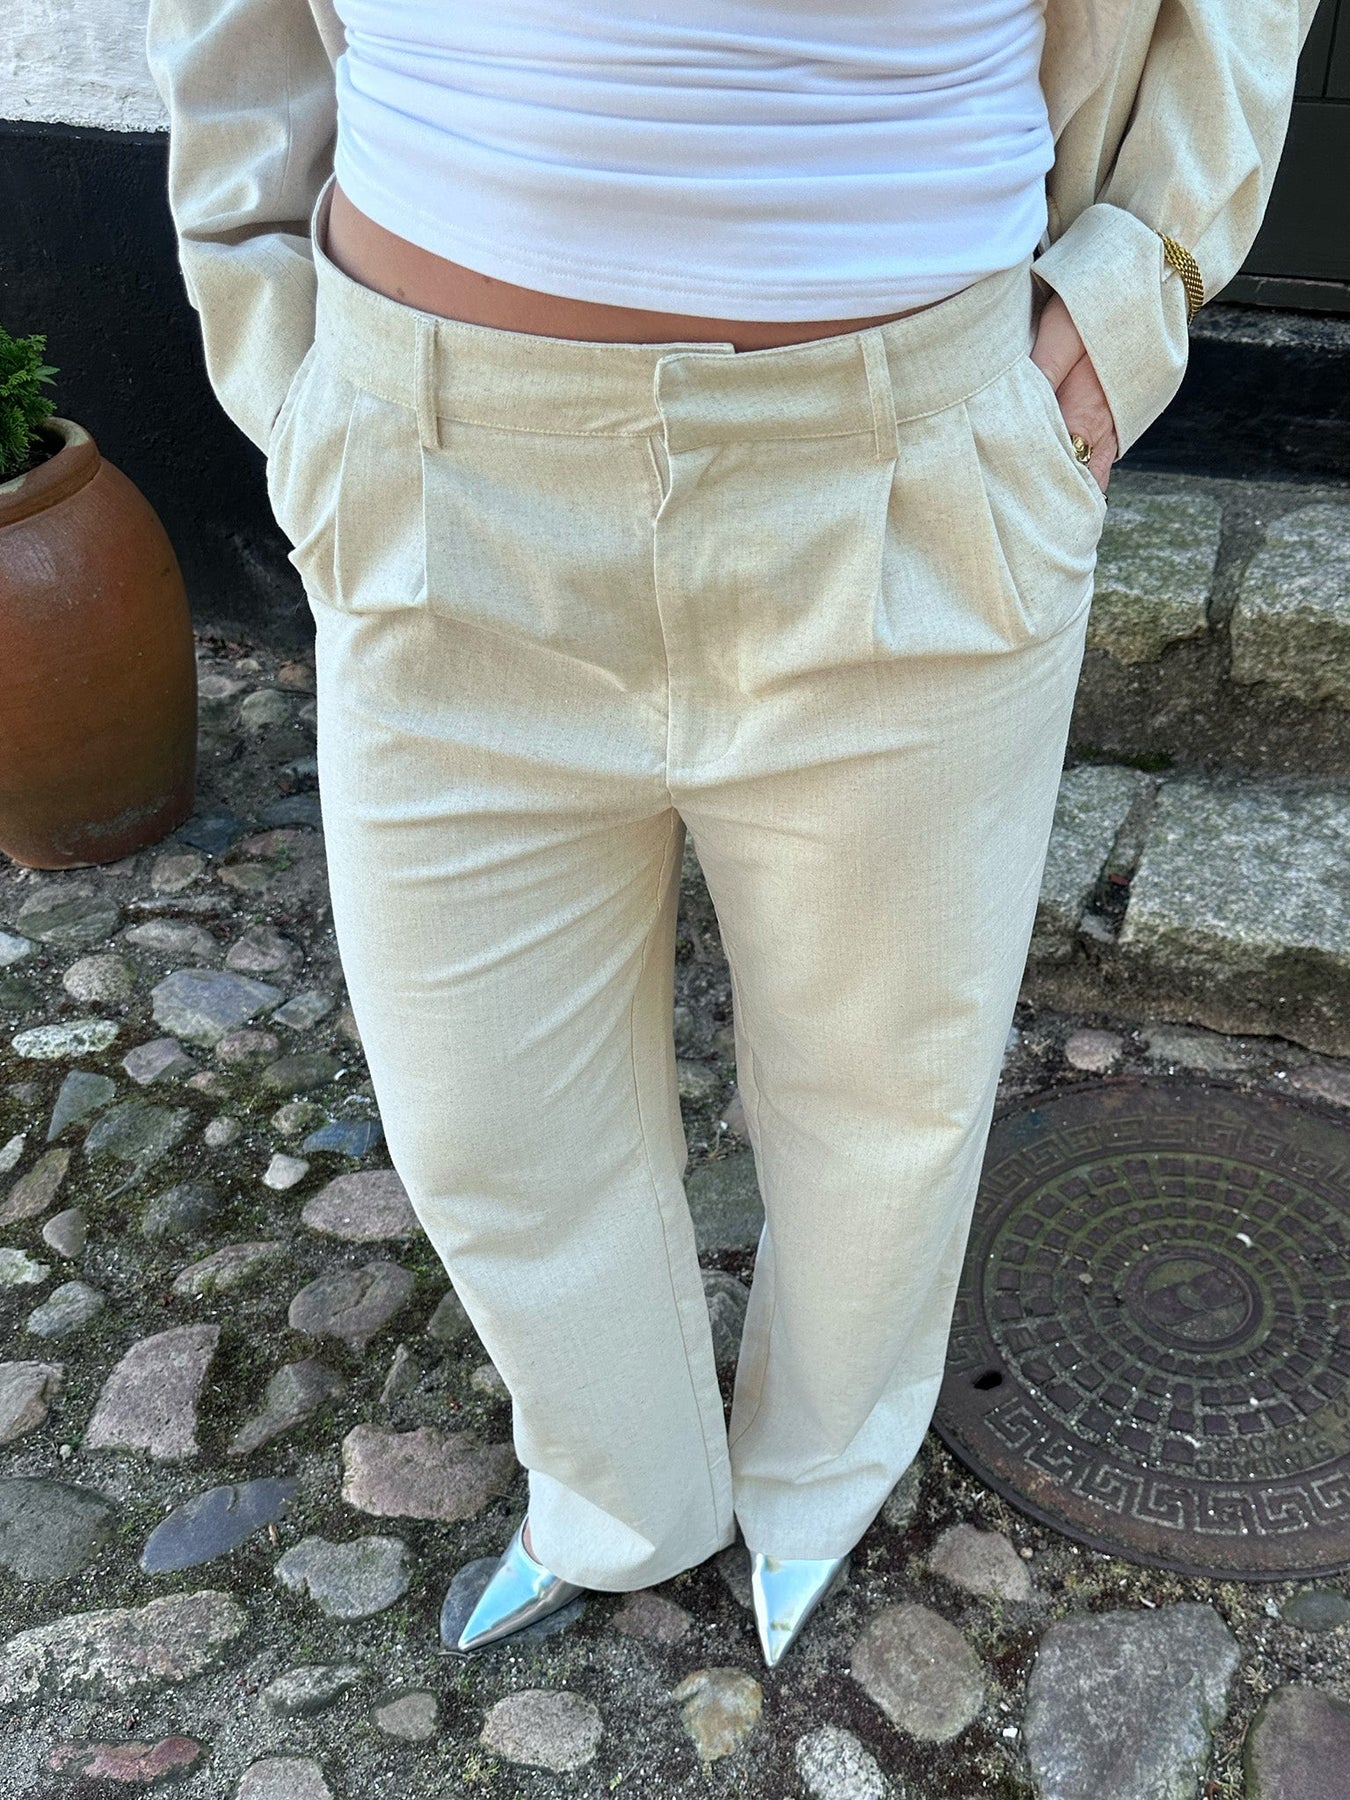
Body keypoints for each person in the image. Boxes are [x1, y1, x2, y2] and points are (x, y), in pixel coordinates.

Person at [145, 0, 1316, 1668]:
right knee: (481, 1108)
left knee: (884, 1084)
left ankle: (820, 1475)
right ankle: (617, 1494)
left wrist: (1146, 262)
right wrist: (272, 324)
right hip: (433, 456)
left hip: (911, 461)